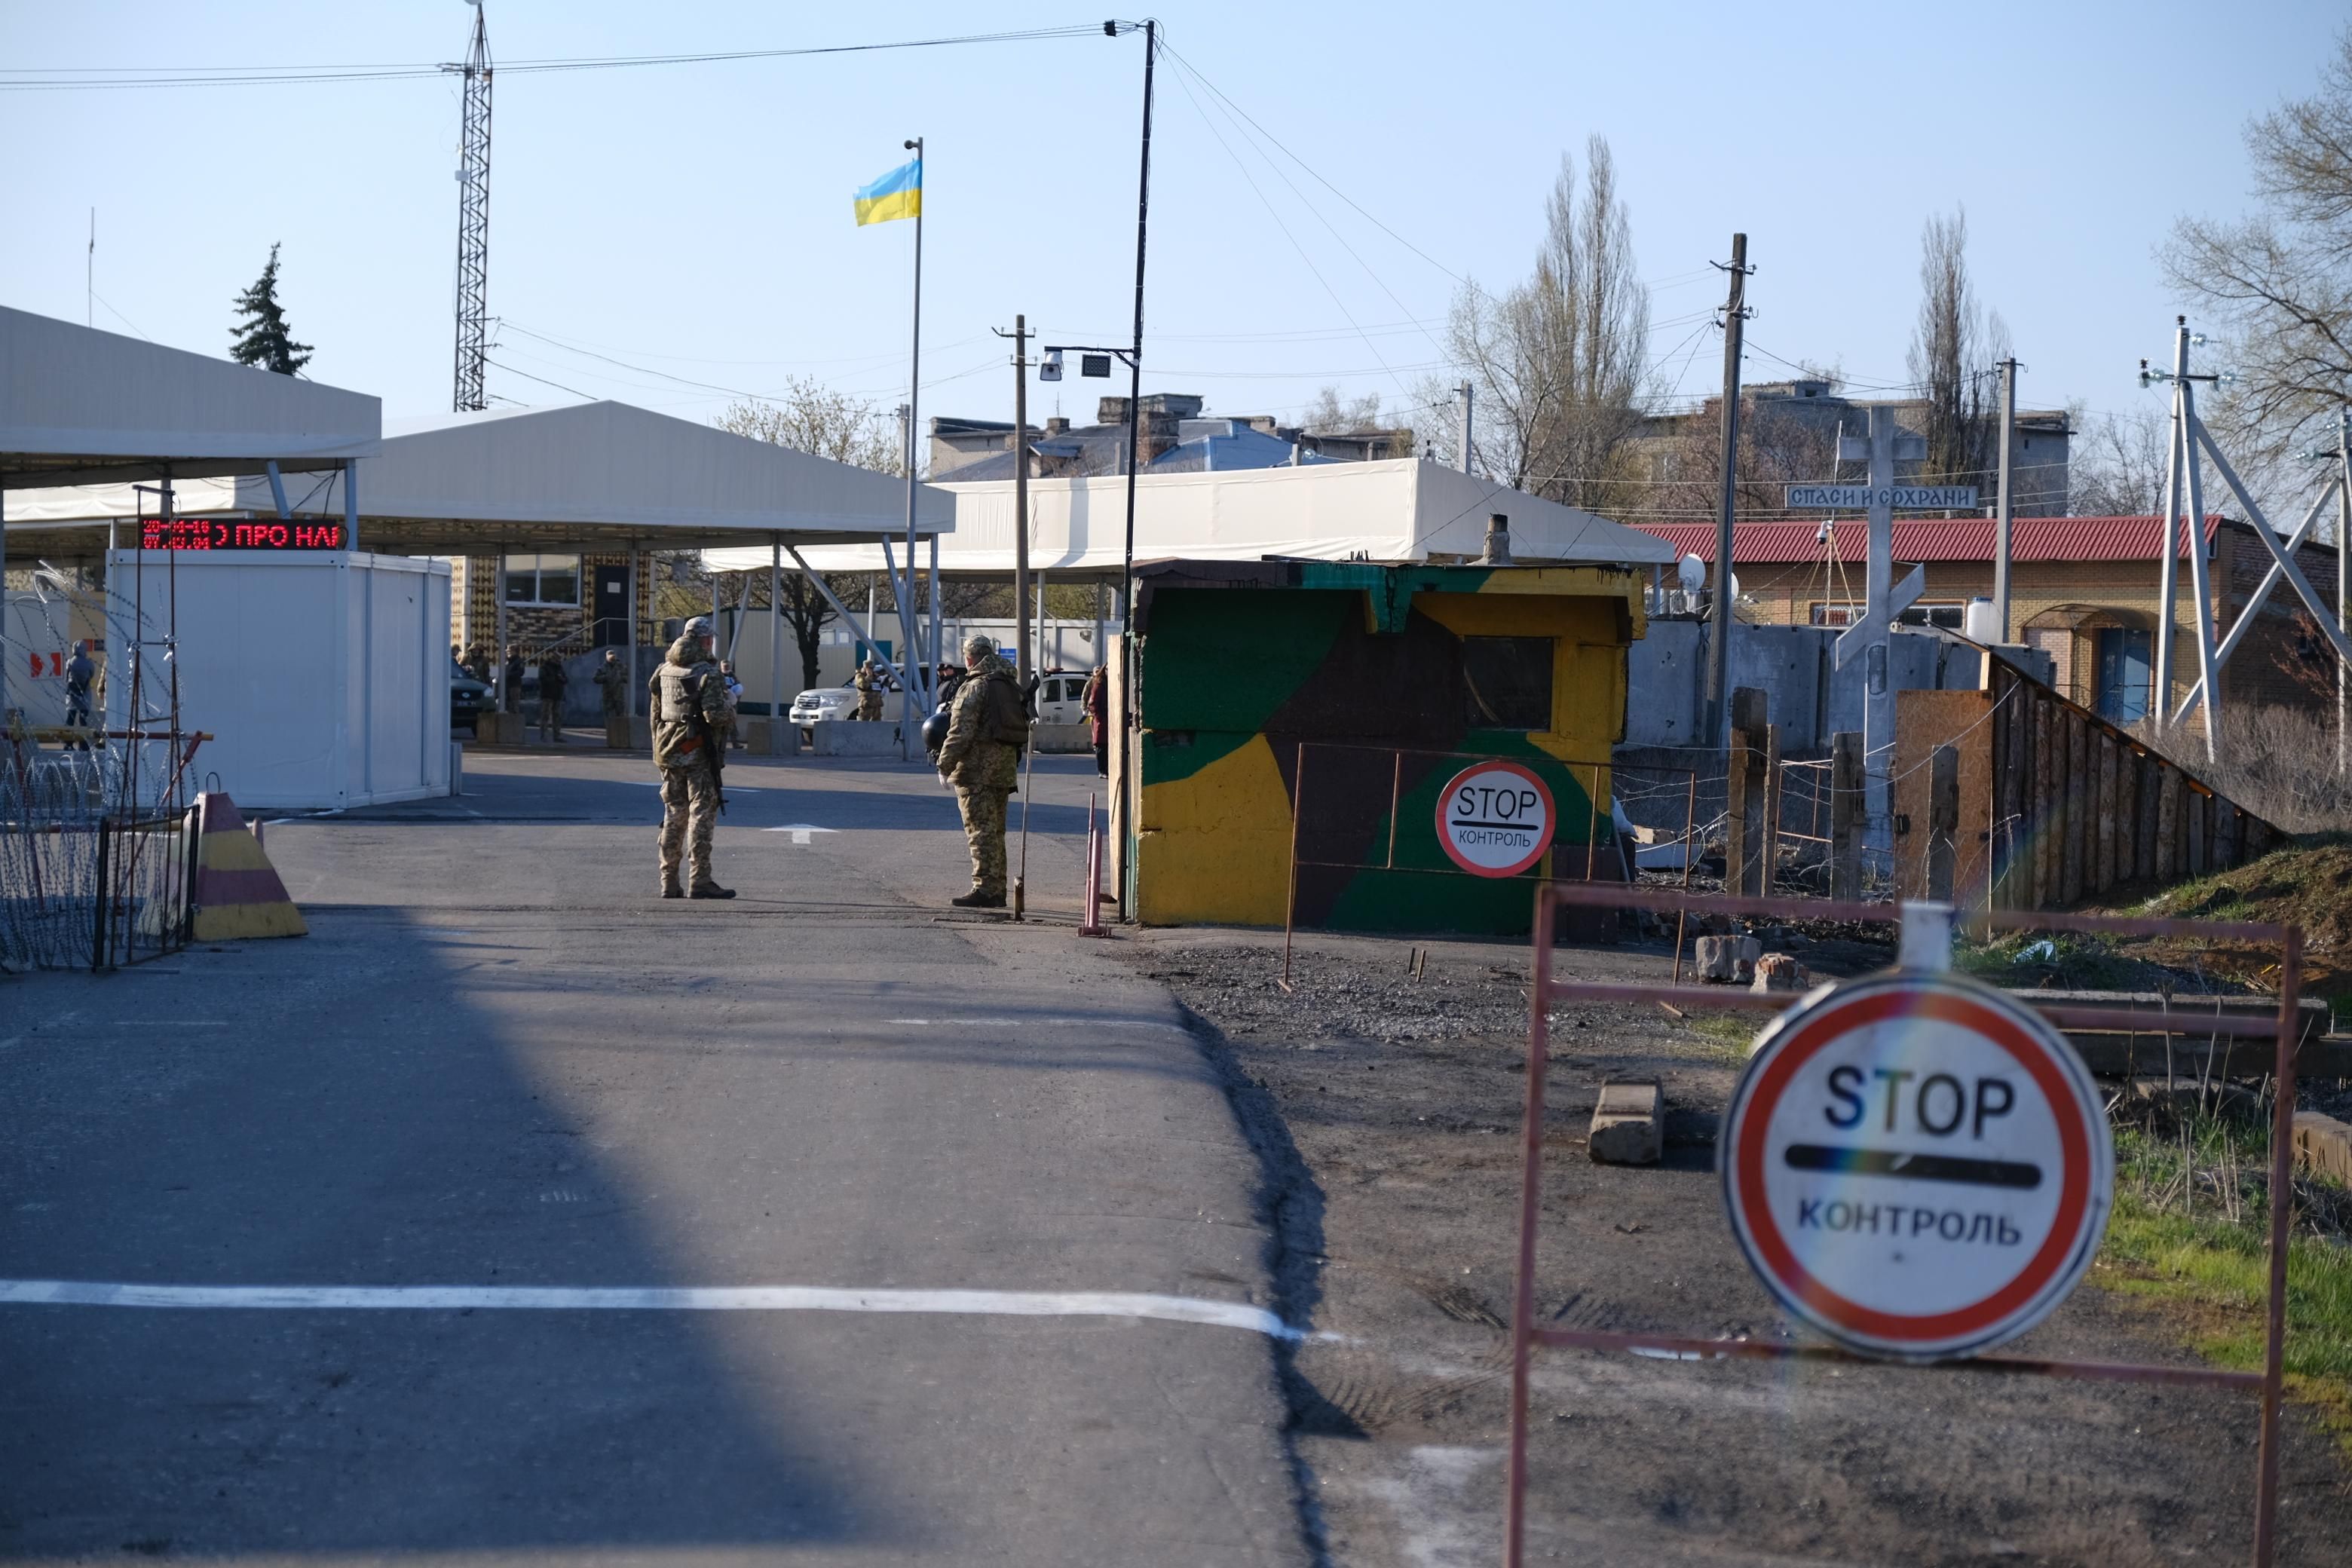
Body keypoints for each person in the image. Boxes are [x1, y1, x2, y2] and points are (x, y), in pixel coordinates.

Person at [933, 633, 1030, 909]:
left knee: (979, 832)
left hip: (976, 772)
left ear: (969, 658)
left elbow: (960, 732)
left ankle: (985, 890)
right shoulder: (1007, 682)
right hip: (1003, 771)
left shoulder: (975, 686)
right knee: (995, 832)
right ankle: (996, 888)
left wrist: (944, 764)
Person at [648, 615, 736, 899]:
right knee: (701, 814)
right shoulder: (707, 672)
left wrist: (659, 749)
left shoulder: (664, 670)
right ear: (706, 640)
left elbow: (655, 715)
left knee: (673, 814)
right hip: (698, 752)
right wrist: (731, 708)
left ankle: (668, 881)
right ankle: (700, 879)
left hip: (668, 751)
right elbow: (715, 716)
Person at [537, 651, 570, 743]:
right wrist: (555, 678)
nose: (559, 661)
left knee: (557, 716)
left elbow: (566, 679)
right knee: (545, 715)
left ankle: (557, 735)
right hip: (547, 695)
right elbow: (542, 678)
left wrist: (561, 679)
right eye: (557, 659)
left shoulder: (560, 668)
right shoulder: (545, 667)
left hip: (557, 695)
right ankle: (544, 735)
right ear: (553, 659)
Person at [1081, 665, 1108, 778]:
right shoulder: (1095, 683)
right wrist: (1085, 709)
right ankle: (1102, 770)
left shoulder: (1105, 683)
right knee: (1099, 741)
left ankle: (1105, 769)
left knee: (1103, 743)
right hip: (1098, 717)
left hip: (1102, 718)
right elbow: (1086, 696)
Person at [592, 649, 629, 718]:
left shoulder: (621, 667)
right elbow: (595, 678)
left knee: (621, 717)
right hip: (608, 696)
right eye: (610, 657)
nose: (612, 659)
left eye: (613, 657)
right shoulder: (603, 667)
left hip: (619, 696)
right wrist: (606, 677)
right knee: (608, 717)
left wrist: (621, 677)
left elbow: (628, 678)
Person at [719, 660, 746, 748]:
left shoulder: (732, 676)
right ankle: (720, 743)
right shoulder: (718, 675)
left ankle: (735, 742)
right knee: (721, 722)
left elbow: (738, 687)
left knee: (732, 722)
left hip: (732, 702)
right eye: (725, 666)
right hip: (723, 701)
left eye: (728, 666)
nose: (726, 668)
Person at [853, 657, 884, 721]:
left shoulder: (875, 676)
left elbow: (880, 684)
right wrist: (869, 676)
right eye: (870, 668)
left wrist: (885, 685)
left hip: (876, 703)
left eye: (872, 668)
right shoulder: (860, 676)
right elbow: (863, 685)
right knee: (864, 722)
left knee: (877, 722)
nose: (872, 670)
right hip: (867, 704)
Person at [502, 647, 525, 715]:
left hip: (514, 685)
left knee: (514, 704)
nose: (507, 653)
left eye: (509, 651)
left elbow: (521, 672)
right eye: (507, 651)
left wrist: (510, 675)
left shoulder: (518, 661)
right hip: (507, 685)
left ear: (514, 652)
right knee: (508, 704)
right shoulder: (507, 661)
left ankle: (515, 719)